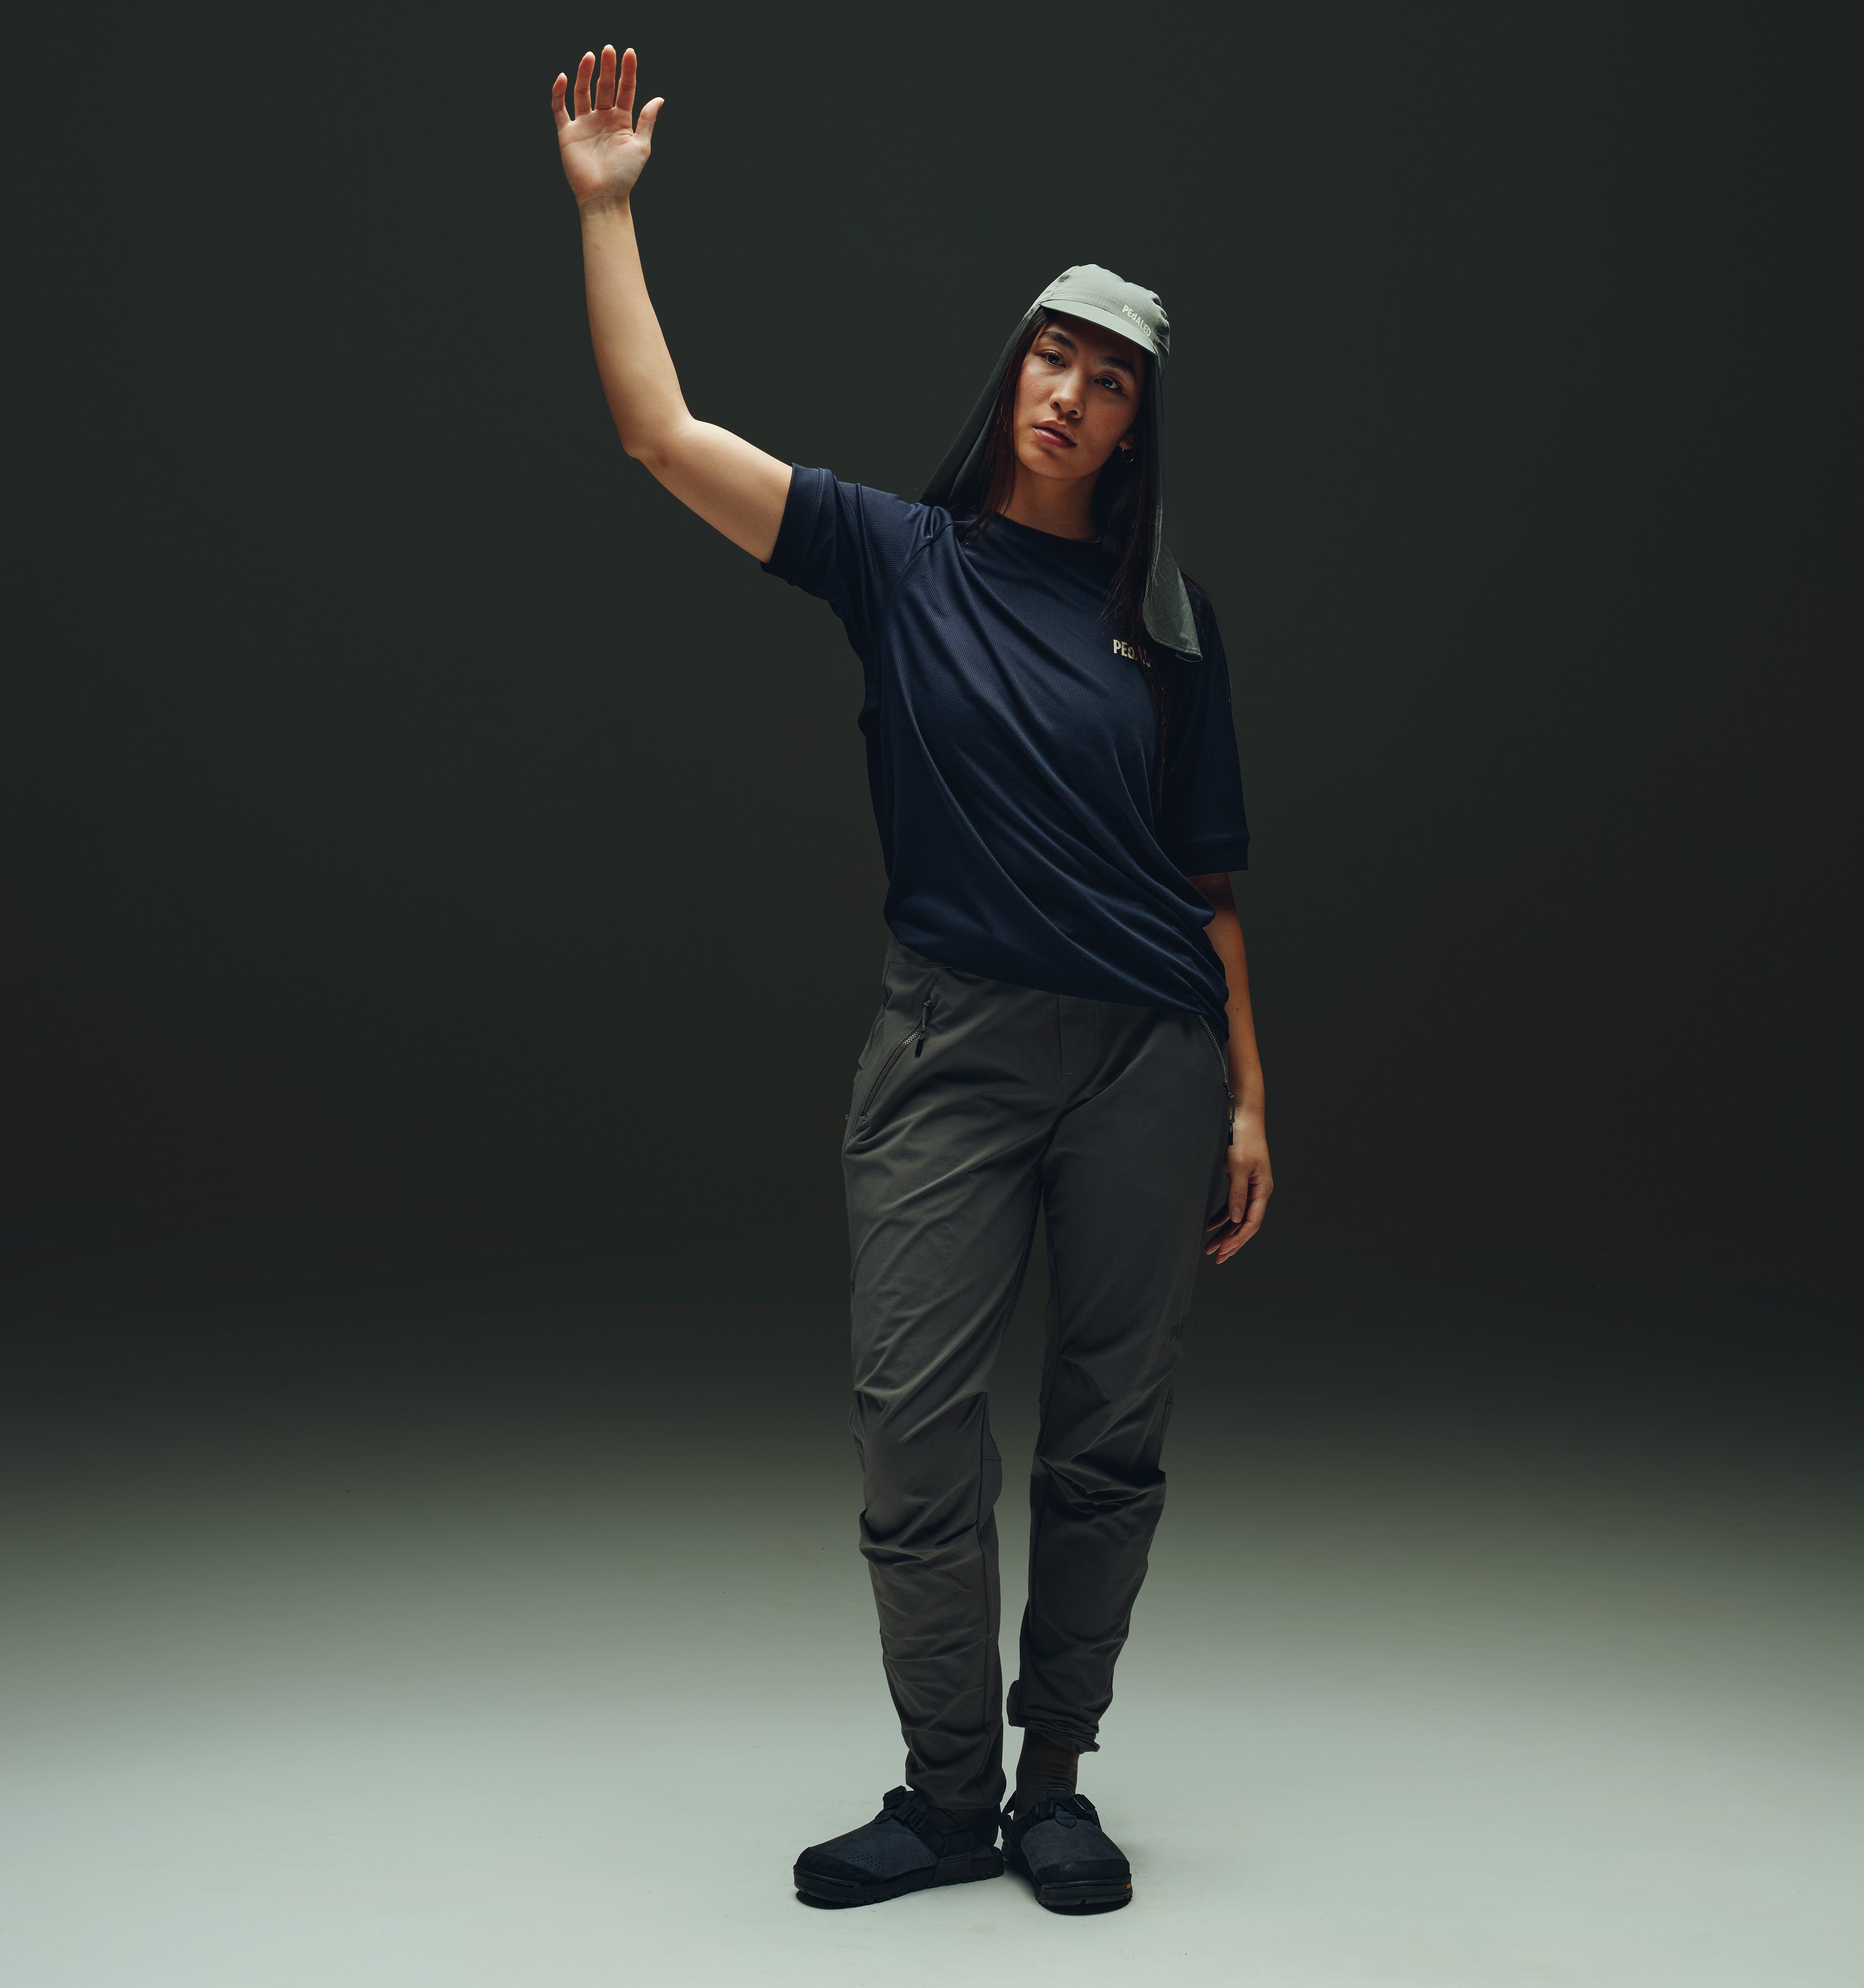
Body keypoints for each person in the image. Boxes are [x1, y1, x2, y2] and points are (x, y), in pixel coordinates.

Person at [551, 45, 1273, 1916]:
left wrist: (1250, 1097)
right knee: (913, 1425)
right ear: (1013, 373)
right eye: (1055, 358)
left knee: (1109, 1437)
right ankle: (946, 1795)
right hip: (952, 1047)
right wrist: (609, 209)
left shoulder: (1169, 632)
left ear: (1136, 427)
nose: (1072, 393)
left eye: (1110, 381)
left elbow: (1207, 883)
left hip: (1150, 1060)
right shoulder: (902, 559)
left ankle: (1053, 1786)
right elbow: (662, 437)